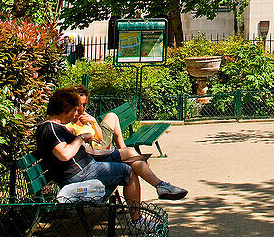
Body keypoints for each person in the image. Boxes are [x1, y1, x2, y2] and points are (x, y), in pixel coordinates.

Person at [34, 87, 187, 229]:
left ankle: (161, 186)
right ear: (64, 109)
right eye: (74, 110)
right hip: (80, 174)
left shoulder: (56, 127)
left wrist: (86, 143)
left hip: (88, 165)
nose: (76, 114)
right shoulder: (50, 128)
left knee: (128, 153)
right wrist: (79, 139)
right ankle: (138, 220)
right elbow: (64, 154)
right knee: (128, 172)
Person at [67, 85, 127, 151]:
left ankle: (123, 149)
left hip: (99, 146)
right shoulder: (67, 123)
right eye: (79, 104)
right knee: (130, 154)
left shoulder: (83, 118)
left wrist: (93, 121)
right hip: (95, 152)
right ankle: (123, 150)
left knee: (112, 116)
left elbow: (99, 139)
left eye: (84, 105)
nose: (82, 108)